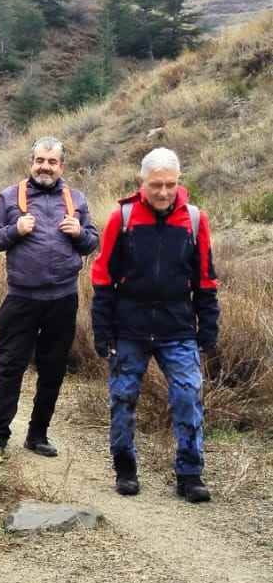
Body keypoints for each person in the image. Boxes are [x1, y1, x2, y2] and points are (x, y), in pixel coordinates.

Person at [91, 147, 219, 502]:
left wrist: (208, 327)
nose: (164, 192)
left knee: (187, 397)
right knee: (122, 398)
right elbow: (103, 277)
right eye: (156, 185)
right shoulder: (122, 218)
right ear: (142, 182)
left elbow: (205, 279)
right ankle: (125, 468)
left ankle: (190, 475)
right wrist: (102, 329)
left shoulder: (195, 219)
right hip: (129, 327)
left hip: (177, 328)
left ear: (179, 181)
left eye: (170, 184)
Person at [0, 136, 99, 459]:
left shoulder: (76, 199)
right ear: (31, 163)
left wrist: (80, 233)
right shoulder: (9, 197)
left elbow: (92, 242)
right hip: (21, 299)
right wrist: (15, 230)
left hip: (63, 299)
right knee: (9, 368)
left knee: (53, 370)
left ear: (62, 166)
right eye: (40, 161)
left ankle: (37, 434)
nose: (45, 167)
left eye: (52, 162)